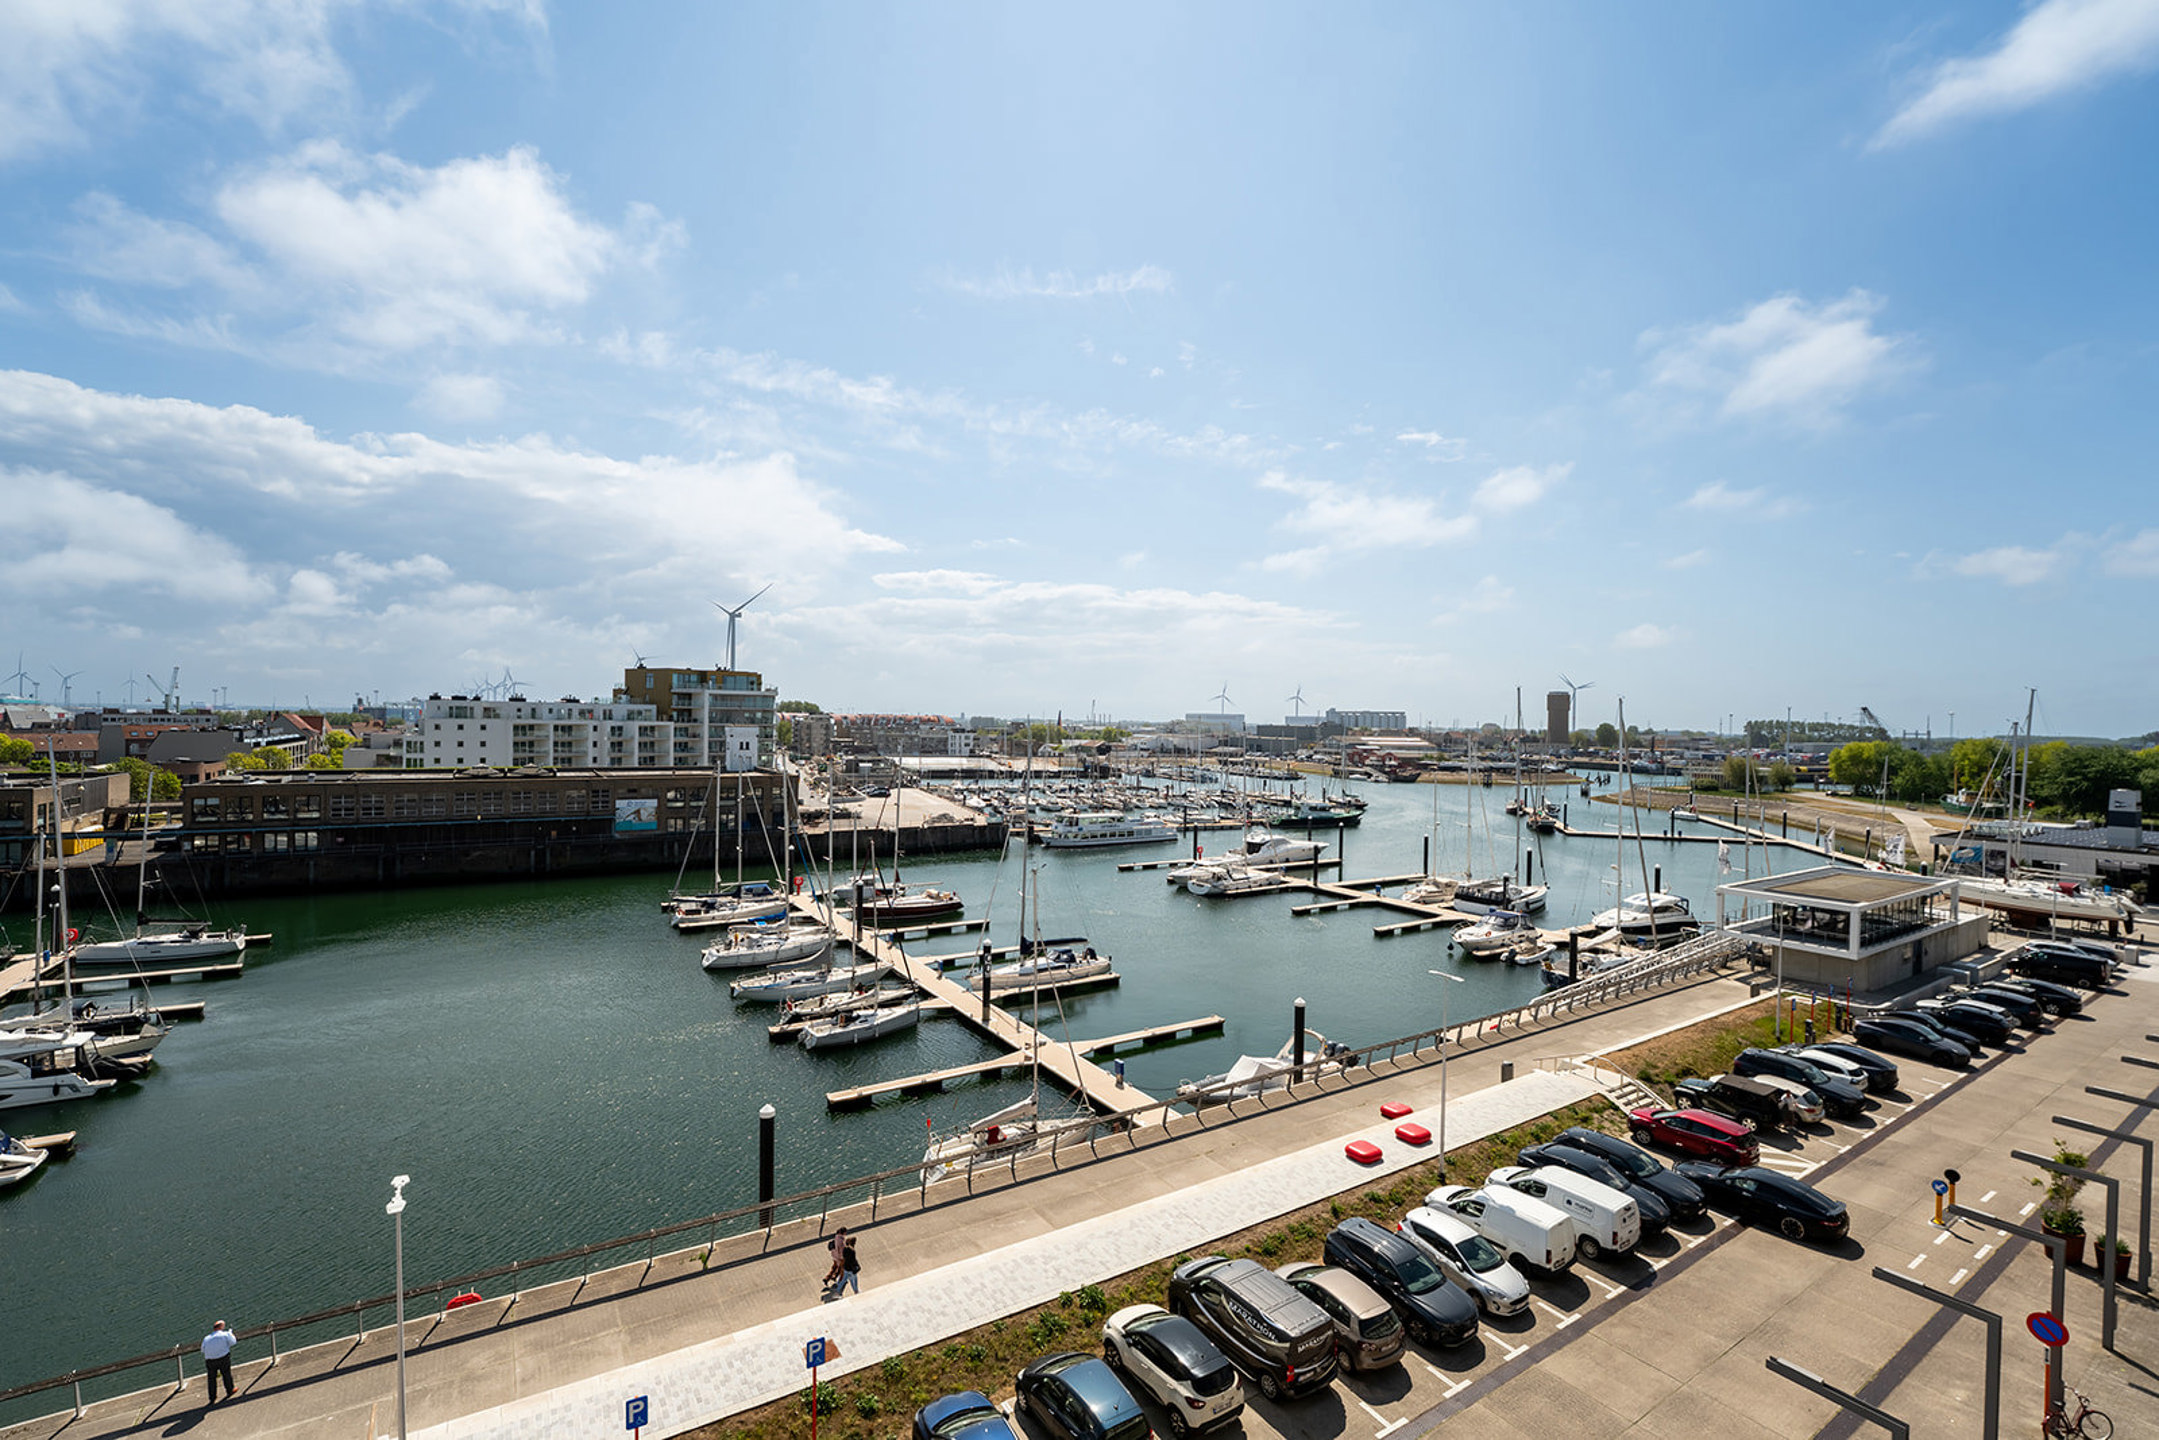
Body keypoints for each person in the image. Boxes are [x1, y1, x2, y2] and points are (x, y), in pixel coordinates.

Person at [200, 1321, 237, 1405]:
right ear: (221, 1327)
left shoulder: (206, 1338)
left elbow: (202, 1350)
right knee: (226, 1374)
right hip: (223, 1358)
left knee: (211, 1379)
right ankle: (230, 1390)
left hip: (210, 1360)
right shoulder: (225, 1334)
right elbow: (233, 1342)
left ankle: (212, 1397)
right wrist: (231, 1334)